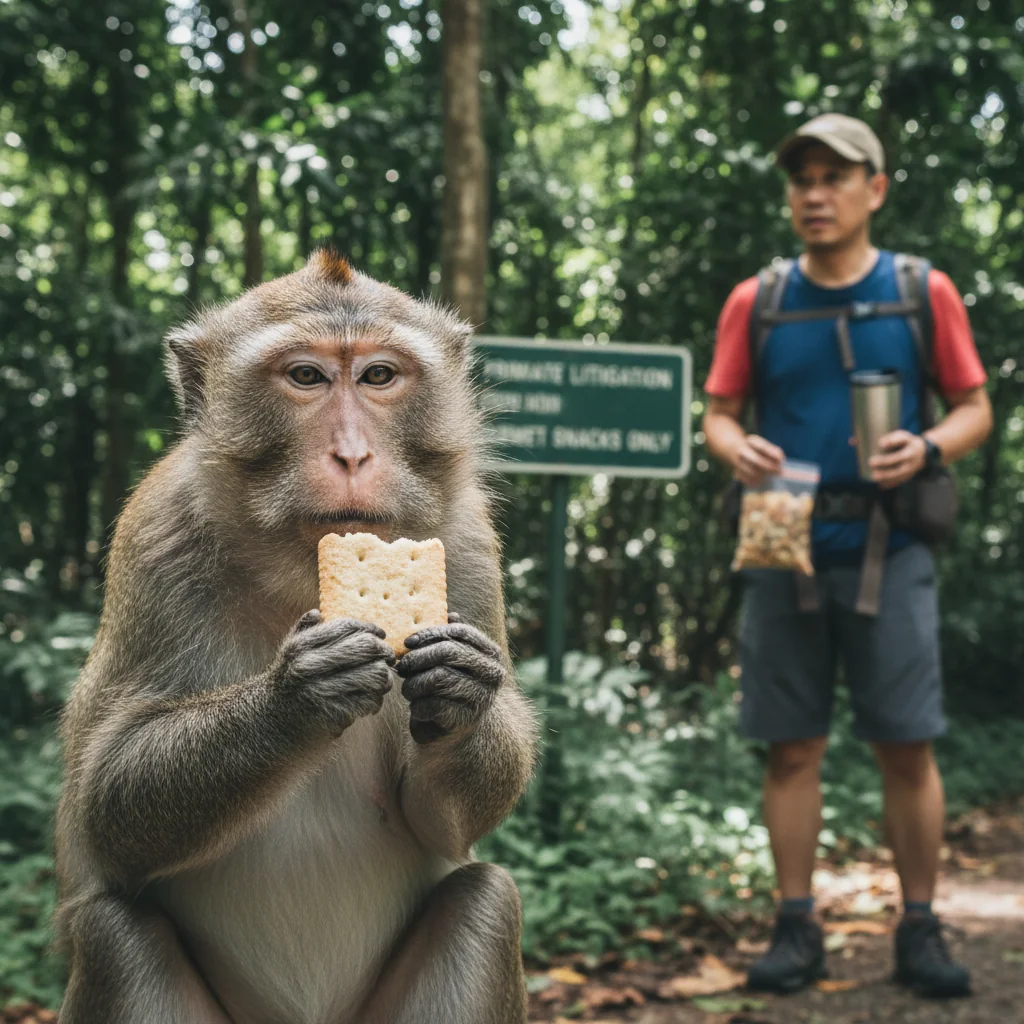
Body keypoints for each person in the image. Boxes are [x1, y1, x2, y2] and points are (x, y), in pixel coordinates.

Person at [702, 114, 993, 998]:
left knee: (907, 745)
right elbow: (717, 411)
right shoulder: (759, 301)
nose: (815, 194)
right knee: (790, 748)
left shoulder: (920, 290)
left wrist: (930, 447)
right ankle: (797, 929)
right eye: (802, 180)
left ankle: (920, 927)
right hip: (782, 541)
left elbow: (976, 405)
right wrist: (732, 446)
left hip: (889, 542)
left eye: (835, 177)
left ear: (877, 188)